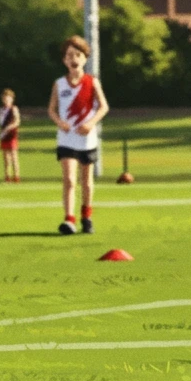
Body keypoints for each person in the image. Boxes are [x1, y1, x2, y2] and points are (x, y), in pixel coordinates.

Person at [47, 35, 110, 234]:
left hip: (86, 139)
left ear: (85, 58)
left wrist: (91, 123)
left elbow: (103, 107)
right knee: (69, 180)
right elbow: (51, 109)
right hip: (66, 138)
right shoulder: (59, 84)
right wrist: (60, 123)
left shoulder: (92, 82)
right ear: (64, 60)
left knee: (87, 181)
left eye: (78, 55)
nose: (73, 59)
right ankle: (69, 219)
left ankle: (87, 216)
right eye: (69, 55)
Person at [0, 88, 22, 183]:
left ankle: (16, 176)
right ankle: (7, 176)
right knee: (6, 158)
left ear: (12, 99)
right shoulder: (1, 110)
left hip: (11, 135)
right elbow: (1, 123)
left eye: (8, 98)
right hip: (4, 135)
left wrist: (9, 127)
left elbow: (17, 121)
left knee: (13, 157)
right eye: (5, 98)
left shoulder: (14, 109)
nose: (6, 100)